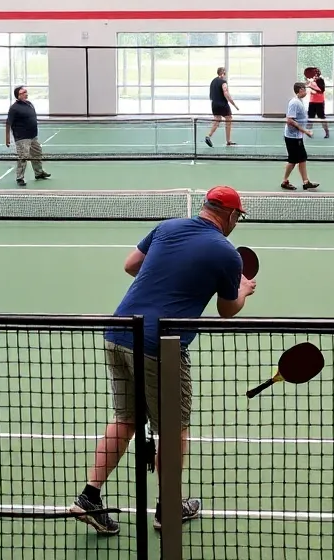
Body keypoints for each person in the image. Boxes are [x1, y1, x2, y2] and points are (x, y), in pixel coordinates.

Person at [69, 186, 257, 536]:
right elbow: (227, 310)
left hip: (119, 331)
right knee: (172, 430)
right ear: (231, 216)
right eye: (238, 217)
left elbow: (130, 266)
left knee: (125, 420)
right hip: (161, 347)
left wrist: (167, 278)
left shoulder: (168, 226)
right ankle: (168, 508)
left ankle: (89, 496)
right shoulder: (227, 254)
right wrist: (242, 291)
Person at [5, 85, 50, 187]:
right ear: (18, 95)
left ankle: (39, 173)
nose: (26, 93)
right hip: (22, 138)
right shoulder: (14, 108)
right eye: (23, 92)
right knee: (23, 158)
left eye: (26, 91)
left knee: (37, 154)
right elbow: (8, 123)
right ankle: (19, 178)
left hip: (33, 136)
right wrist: (7, 138)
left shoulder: (29, 104)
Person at [282, 82, 318, 191]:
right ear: (300, 90)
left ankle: (305, 182)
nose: (306, 91)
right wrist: (306, 131)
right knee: (293, 160)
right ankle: (285, 181)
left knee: (301, 158)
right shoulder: (294, 103)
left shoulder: (299, 101)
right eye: (305, 89)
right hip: (293, 137)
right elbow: (290, 120)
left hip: (297, 136)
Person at [204, 67, 240, 147]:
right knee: (229, 119)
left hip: (214, 104)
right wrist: (234, 105)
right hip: (222, 104)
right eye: (225, 73)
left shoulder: (213, 81)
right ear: (223, 73)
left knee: (217, 120)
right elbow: (226, 93)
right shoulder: (223, 82)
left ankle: (208, 136)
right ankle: (228, 141)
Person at [305, 67, 330, 139]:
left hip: (320, 102)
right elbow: (307, 87)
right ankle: (308, 132)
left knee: (322, 118)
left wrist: (311, 87)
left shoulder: (320, 80)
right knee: (310, 118)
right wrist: (308, 85)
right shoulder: (310, 81)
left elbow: (321, 90)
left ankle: (327, 132)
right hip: (312, 102)